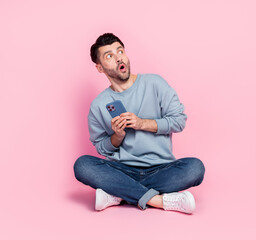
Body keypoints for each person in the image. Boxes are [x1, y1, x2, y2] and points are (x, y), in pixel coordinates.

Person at [73, 33, 205, 214]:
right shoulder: (98, 105)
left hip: (161, 168)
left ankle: (119, 194)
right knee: (82, 165)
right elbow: (101, 148)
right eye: (109, 55)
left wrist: (142, 123)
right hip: (121, 169)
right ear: (100, 68)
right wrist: (117, 137)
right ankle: (160, 201)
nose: (118, 56)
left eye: (120, 51)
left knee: (195, 168)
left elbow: (179, 120)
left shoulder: (155, 83)